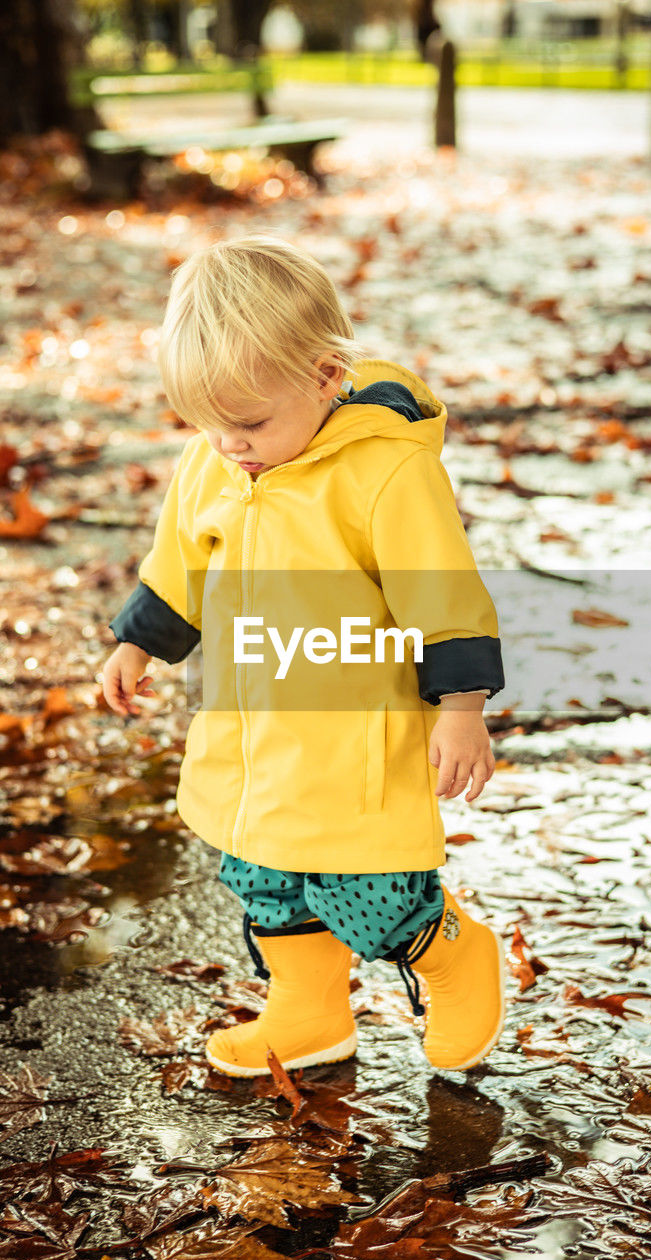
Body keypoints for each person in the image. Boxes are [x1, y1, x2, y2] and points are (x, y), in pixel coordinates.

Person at [101, 235, 507, 1078]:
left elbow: (440, 592)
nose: (227, 445)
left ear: (326, 376)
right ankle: (308, 1010)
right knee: (263, 876)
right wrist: (140, 640)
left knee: (370, 891)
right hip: (251, 733)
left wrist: (461, 708)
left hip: (353, 735)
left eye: (248, 423)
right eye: (206, 424)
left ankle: (449, 952)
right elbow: (181, 560)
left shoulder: (382, 473)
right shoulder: (214, 461)